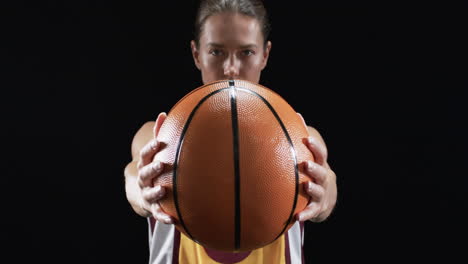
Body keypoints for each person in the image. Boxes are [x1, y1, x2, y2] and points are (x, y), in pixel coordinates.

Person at [124, 0, 337, 263]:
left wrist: (324, 199)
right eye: (217, 52)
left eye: (246, 52)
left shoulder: (301, 137)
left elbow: (328, 185)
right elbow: (133, 174)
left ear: (265, 55)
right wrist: (142, 193)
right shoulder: (161, 136)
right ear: (196, 54)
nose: (231, 69)